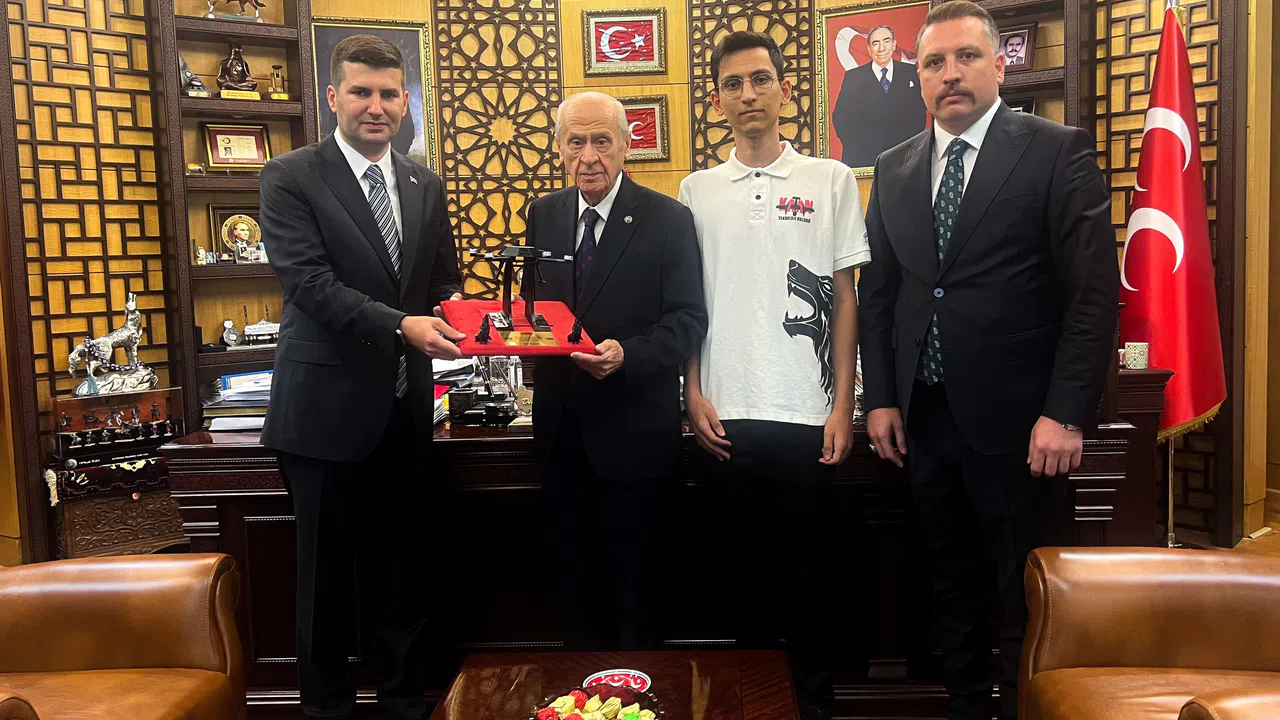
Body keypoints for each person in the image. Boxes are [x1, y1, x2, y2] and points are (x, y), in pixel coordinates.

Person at [856, 2, 1119, 718]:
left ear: (999, 65)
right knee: (948, 585)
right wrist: (881, 398)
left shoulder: (1056, 150)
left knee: (1023, 591)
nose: (951, 74)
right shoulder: (894, 167)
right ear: (918, 78)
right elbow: (881, 295)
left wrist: (1066, 413)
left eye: (966, 57)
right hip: (926, 419)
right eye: (934, 63)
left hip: (1025, 426)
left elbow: (1093, 295)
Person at [259, 34, 464, 720]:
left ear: (405, 102)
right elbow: (309, 285)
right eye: (361, 92)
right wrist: (403, 325)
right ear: (333, 97)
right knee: (325, 583)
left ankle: (405, 705)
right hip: (322, 416)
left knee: (401, 572)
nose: (376, 107)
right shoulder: (291, 176)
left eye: (388, 94)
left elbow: (441, 282)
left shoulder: (424, 183)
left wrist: (475, 320)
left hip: (404, 413)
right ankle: (326, 712)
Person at [679, 31, 868, 720]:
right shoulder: (696, 191)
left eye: (761, 79)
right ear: (717, 100)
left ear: (786, 90)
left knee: (810, 581)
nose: (748, 94)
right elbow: (688, 302)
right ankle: (748, 708)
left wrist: (843, 403)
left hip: (808, 416)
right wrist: (691, 391)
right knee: (743, 583)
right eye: (733, 84)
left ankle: (812, 708)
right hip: (724, 415)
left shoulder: (830, 179)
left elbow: (845, 296)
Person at [527, 91, 706, 651]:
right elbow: (534, 312)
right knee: (573, 595)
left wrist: (628, 355)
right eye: (576, 142)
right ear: (559, 148)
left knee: (637, 597)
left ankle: (638, 692)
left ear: (628, 145)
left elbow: (688, 321)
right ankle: (579, 694)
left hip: (635, 440)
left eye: (602, 141)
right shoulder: (543, 215)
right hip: (560, 438)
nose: (589, 156)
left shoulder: (669, 219)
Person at [831, 25, 928, 168]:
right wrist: (856, 147)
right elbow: (840, 117)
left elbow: (920, 113)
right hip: (864, 158)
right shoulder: (853, 77)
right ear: (869, 49)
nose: (881, 48)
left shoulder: (910, 72)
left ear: (894, 45)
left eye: (886, 41)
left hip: (905, 158)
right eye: (875, 43)